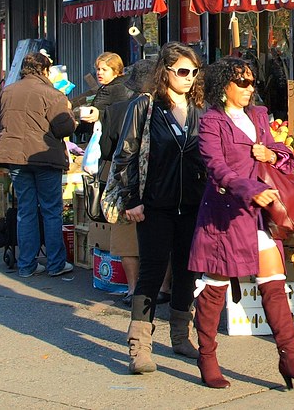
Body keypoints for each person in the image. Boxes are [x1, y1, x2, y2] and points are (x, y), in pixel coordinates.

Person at [189, 57, 294, 390]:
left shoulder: (259, 116)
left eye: (252, 82)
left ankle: (291, 359)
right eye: (242, 83)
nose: (250, 89)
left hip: (263, 216)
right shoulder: (211, 122)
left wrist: (272, 155)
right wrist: (251, 189)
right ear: (224, 86)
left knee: (275, 285)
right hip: (225, 215)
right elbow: (216, 167)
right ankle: (208, 357)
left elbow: (283, 152)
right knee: (214, 290)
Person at [109, 43, 205, 374]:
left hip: (192, 205)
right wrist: (131, 199)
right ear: (165, 71)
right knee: (151, 271)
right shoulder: (145, 106)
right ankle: (139, 345)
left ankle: (180, 336)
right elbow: (126, 154)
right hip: (153, 205)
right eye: (182, 71)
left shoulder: (199, 109)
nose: (189, 78)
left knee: (186, 271)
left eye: (194, 72)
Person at [0, 51, 77, 278]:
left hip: (15, 158)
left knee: (25, 211)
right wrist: (73, 116)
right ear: (45, 70)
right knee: (51, 211)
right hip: (45, 157)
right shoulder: (52, 94)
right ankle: (55, 264)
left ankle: (26, 266)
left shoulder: (8, 92)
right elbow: (64, 128)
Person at [98, 58, 158, 307]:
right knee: (159, 237)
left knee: (126, 237)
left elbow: (108, 149)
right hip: (159, 179)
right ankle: (163, 287)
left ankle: (133, 288)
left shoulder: (118, 109)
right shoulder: (170, 107)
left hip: (126, 179)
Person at [78, 52, 132, 136]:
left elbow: (120, 114)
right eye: (98, 69)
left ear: (116, 71)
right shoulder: (108, 86)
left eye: (104, 69)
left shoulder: (117, 88)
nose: (99, 72)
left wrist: (99, 115)